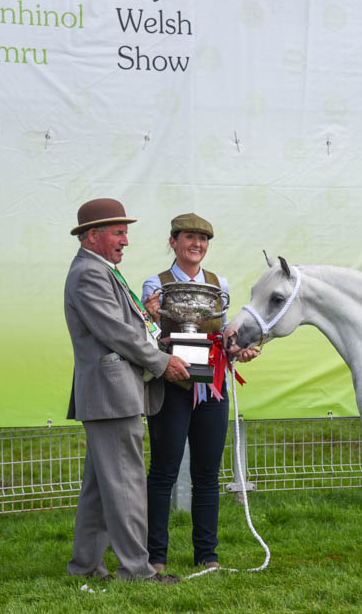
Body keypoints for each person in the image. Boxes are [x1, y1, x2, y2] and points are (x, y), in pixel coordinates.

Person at [64, 198, 190, 583]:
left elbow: (126, 325)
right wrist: (160, 361)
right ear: (93, 236)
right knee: (126, 484)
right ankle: (137, 570)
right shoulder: (90, 273)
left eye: (125, 233)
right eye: (119, 232)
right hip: (111, 393)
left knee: (101, 488)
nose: (125, 241)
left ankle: (84, 565)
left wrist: (151, 327)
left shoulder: (99, 269)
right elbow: (114, 332)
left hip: (110, 393)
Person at [141, 213, 259, 573]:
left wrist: (240, 349)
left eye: (203, 240)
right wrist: (149, 317)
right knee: (164, 471)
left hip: (212, 387)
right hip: (172, 385)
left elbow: (224, 334)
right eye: (189, 238)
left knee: (207, 474)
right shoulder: (154, 283)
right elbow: (146, 333)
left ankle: (207, 555)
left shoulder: (217, 283)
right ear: (173, 242)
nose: (197, 245)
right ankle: (155, 557)